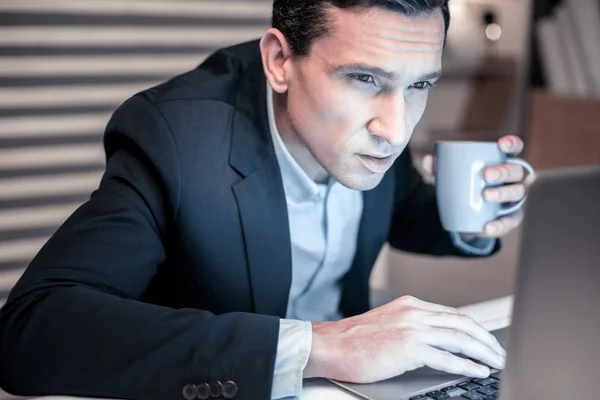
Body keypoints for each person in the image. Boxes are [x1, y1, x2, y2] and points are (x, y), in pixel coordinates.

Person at [0, 1, 532, 399]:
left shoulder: (377, 118)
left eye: (420, 85)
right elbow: (30, 330)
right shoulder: (176, 140)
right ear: (279, 60)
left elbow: (401, 203)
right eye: (365, 78)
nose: (395, 130)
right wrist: (325, 347)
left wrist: (472, 217)